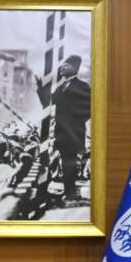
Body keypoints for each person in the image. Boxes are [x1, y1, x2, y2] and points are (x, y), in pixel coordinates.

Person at [37, 54, 91, 202]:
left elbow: (89, 109)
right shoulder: (60, 87)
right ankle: (66, 191)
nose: (61, 68)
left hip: (73, 133)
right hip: (60, 132)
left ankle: (70, 192)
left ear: (74, 68)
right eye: (62, 65)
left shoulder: (83, 87)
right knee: (61, 161)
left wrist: (74, 122)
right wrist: (41, 88)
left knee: (69, 162)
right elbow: (47, 103)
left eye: (65, 65)